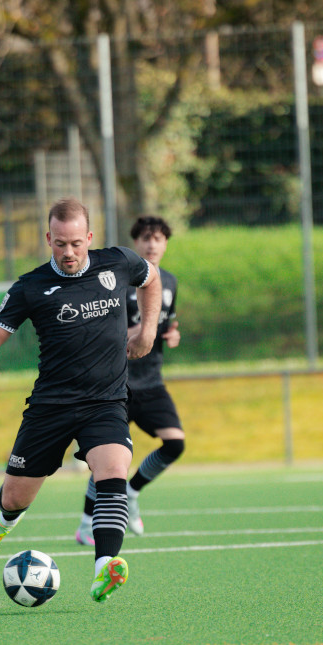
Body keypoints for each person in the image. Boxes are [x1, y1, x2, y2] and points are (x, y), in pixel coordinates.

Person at [0, 198, 161, 603]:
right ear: (48, 239)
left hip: (105, 401)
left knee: (114, 469)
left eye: (76, 243)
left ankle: (104, 566)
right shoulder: (30, 287)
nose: (68, 253)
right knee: (16, 497)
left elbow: (152, 279)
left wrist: (146, 331)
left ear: (89, 238)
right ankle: (3, 521)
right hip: (51, 406)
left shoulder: (119, 263)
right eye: (59, 244)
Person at [75, 215, 184, 545]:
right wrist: (143, 330)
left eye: (159, 238)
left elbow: (168, 322)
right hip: (115, 383)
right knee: (108, 459)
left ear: (165, 244)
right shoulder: (117, 282)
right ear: (135, 243)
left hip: (150, 381)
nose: (152, 244)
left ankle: (133, 492)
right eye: (145, 238)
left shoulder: (170, 282)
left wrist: (172, 334)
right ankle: (85, 523)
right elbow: (108, 333)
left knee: (175, 443)